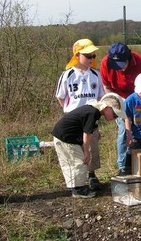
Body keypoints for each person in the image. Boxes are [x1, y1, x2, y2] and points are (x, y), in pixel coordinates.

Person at [52, 93, 126, 198]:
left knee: (78, 161)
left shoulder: (94, 112)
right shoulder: (92, 112)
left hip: (69, 138)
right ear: (107, 107)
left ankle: (77, 187)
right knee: (78, 162)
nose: (115, 117)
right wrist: (87, 151)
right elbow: (87, 133)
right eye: (115, 114)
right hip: (65, 139)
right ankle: (78, 189)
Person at [55, 38, 104, 190]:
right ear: (77, 55)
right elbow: (60, 97)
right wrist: (70, 112)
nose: (92, 59)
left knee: (91, 147)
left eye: (93, 55)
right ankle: (78, 181)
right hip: (75, 120)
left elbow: (100, 97)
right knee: (76, 151)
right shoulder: (68, 74)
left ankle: (92, 175)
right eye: (88, 55)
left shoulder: (96, 75)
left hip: (91, 120)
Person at [100, 42, 141, 176]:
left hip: (138, 97)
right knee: (124, 130)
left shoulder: (139, 61)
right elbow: (107, 86)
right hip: (119, 98)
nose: (119, 69)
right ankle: (123, 166)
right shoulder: (105, 63)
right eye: (116, 66)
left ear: (128, 58)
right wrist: (114, 104)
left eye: (122, 65)